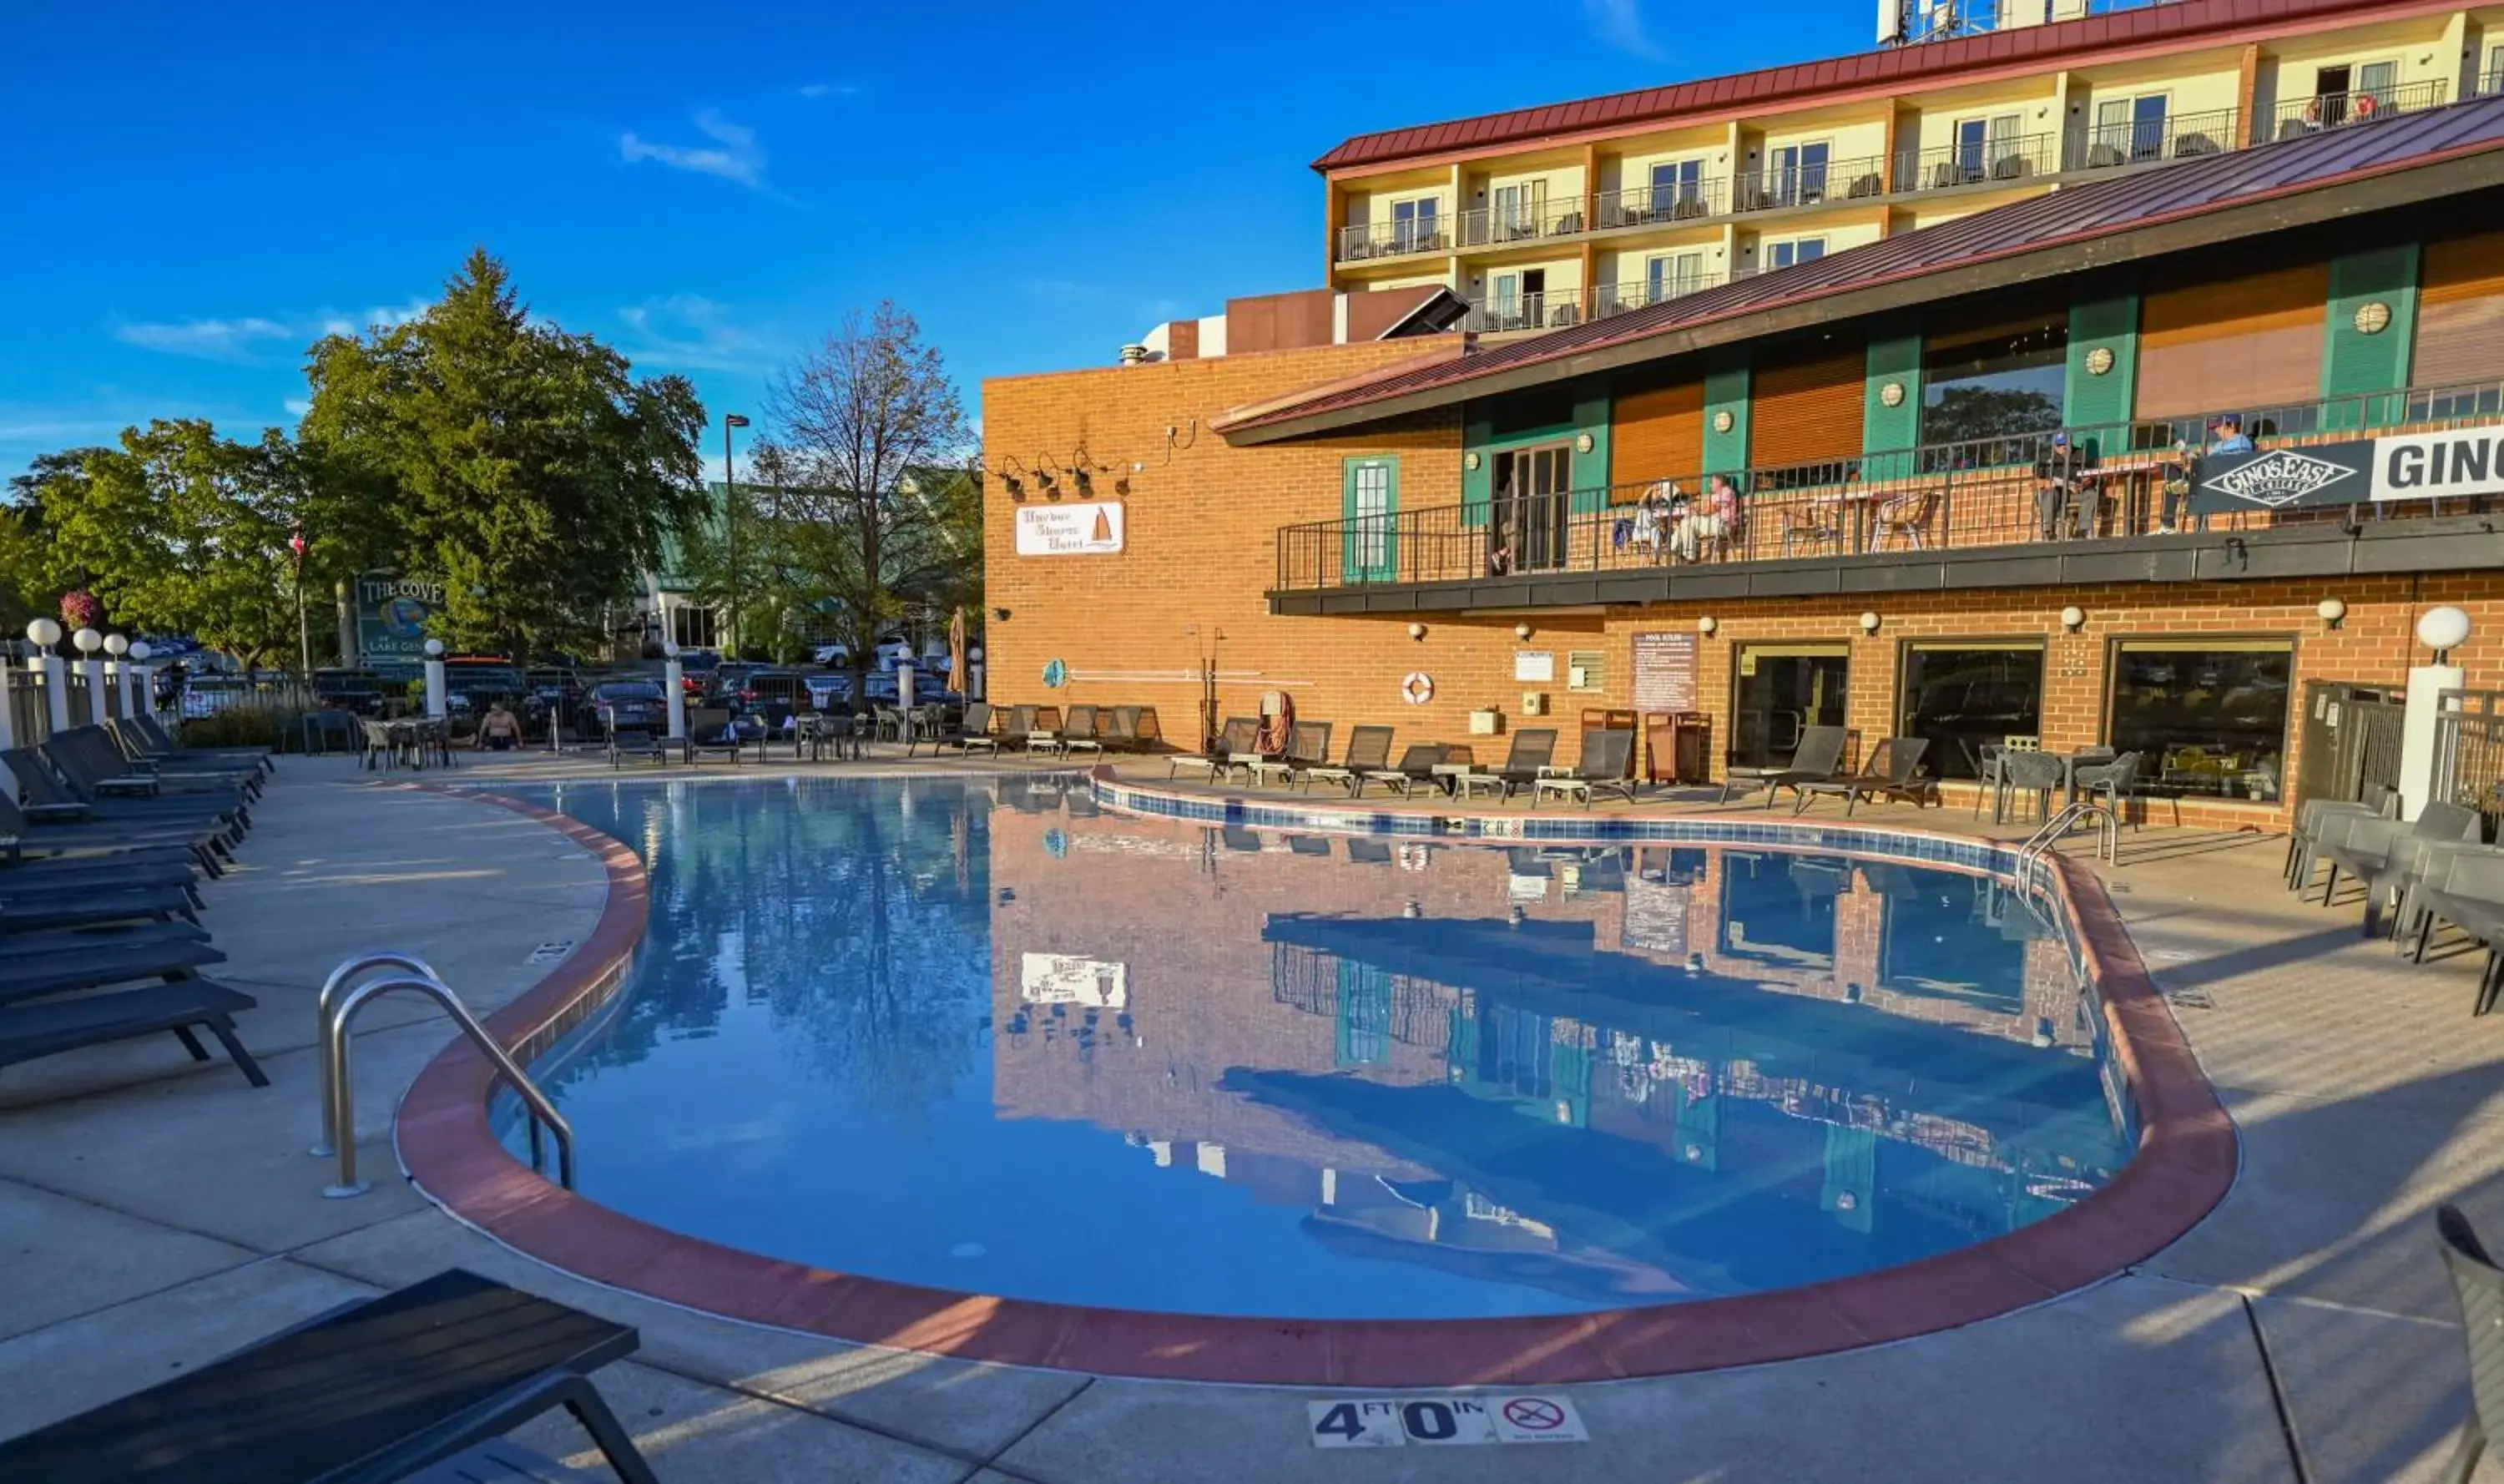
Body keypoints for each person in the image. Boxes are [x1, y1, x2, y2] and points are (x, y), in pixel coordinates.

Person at [2033, 432, 2098, 540]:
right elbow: (2035, 481)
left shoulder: (2081, 455)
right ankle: (2048, 532)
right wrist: (2045, 482)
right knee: (2050, 494)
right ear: (2054, 446)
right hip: (2055, 493)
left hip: (2074, 493)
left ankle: (2084, 531)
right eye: (2059, 445)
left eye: (2066, 444)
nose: (2063, 448)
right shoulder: (2045, 457)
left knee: (2090, 494)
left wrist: (2083, 484)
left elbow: (2092, 478)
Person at [2156, 438, 2196, 535]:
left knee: (2171, 487)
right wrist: (2188, 455)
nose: (2217, 432)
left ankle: (2168, 525)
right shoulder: (2218, 446)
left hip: (2205, 479)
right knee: (2166, 467)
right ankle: (2179, 483)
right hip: (2191, 475)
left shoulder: (2227, 446)